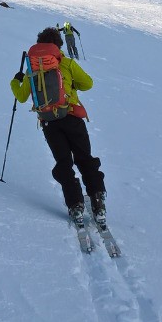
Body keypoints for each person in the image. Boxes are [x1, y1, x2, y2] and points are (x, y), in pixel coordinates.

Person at [10, 27, 107, 225]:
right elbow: (88, 84)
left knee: (64, 163)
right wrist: (71, 85)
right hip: (72, 117)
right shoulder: (67, 63)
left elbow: (21, 97)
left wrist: (15, 81)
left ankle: (75, 205)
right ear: (58, 45)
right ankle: (97, 201)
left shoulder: (33, 69)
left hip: (50, 122)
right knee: (85, 159)